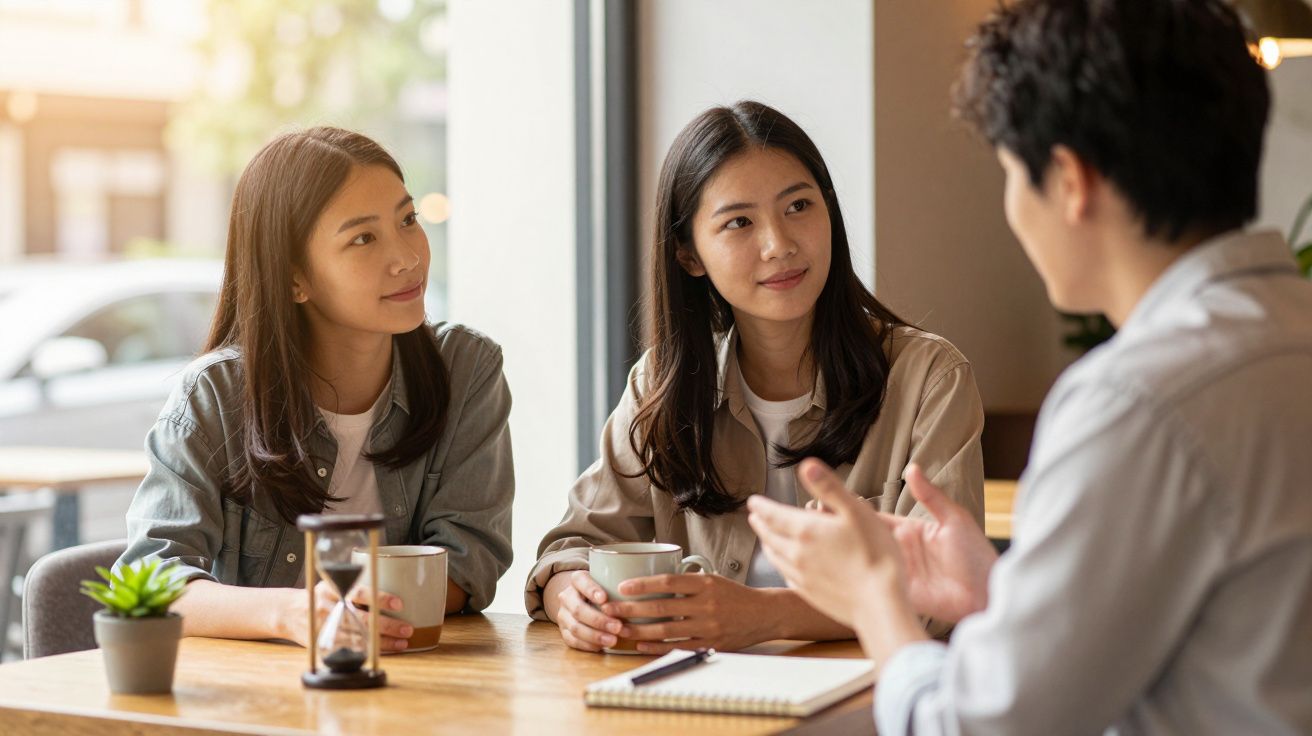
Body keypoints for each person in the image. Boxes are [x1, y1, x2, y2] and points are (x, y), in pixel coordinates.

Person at [748, 1, 1312, 733]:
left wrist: (872, 597)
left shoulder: (1136, 402)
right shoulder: (1283, 335)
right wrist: (1004, 591)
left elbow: (974, 727)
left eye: (1012, 174)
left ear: (1070, 181)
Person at [527, 101, 985, 654]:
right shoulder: (662, 384)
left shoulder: (929, 378)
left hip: (873, 691)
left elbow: (940, 593)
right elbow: (575, 544)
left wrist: (765, 616)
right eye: (739, 222)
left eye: (799, 206)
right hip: (700, 692)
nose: (779, 244)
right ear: (689, 255)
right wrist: (572, 599)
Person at [119, 127, 514, 652]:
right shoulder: (214, 395)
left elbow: (470, 561)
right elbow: (150, 582)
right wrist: (293, 613)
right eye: (363, 238)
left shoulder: (465, 369)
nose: (408, 258)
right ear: (293, 278)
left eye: (407, 219)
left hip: (409, 674)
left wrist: (352, 613)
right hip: (250, 687)